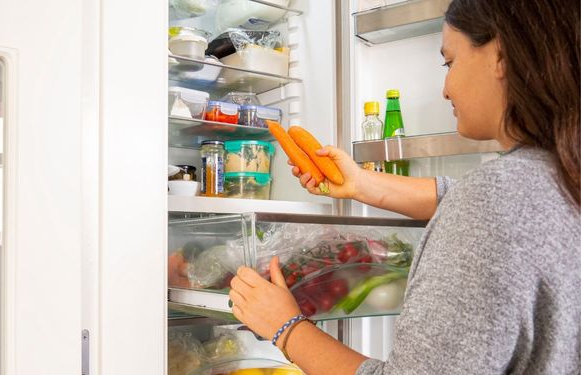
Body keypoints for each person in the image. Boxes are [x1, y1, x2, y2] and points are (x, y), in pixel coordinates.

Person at [228, 0, 581, 373]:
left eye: (449, 61)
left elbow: (485, 203)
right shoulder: (559, 177)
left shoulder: (497, 196)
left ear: (500, 55)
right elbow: (464, 198)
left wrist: (285, 328)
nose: (445, 89)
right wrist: (361, 183)